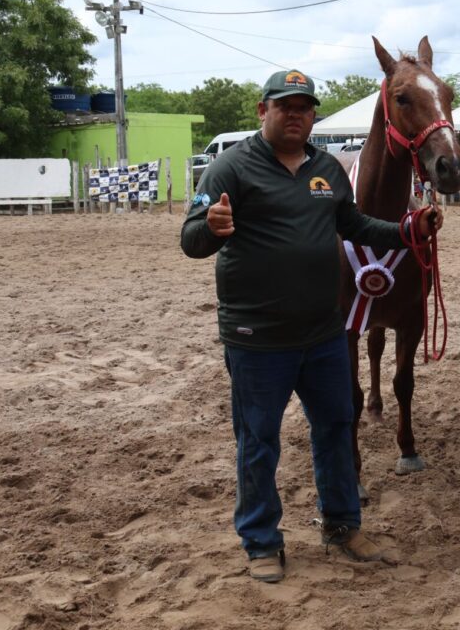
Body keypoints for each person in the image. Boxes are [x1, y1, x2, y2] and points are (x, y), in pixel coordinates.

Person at [180, 69, 440, 582]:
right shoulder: (229, 168)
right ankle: (260, 542)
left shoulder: (326, 169)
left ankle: (343, 526)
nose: (296, 114)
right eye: (285, 106)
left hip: (324, 331)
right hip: (258, 337)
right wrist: (209, 229)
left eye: (304, 107)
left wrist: (407, 230)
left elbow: (355, 226)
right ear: (263, 111)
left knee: (335, 430)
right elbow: (190, 239)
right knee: (259, 441)